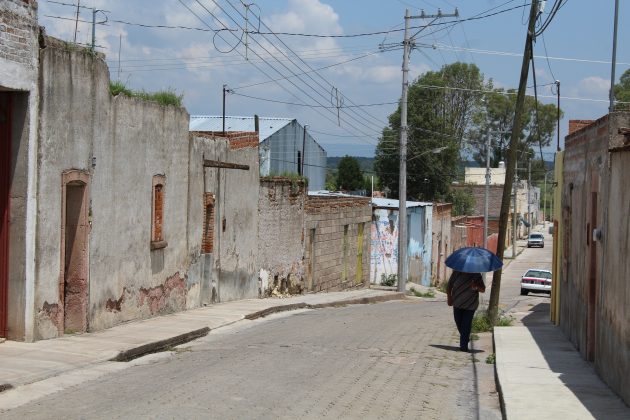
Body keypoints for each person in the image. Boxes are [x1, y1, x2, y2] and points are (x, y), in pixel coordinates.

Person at [446, 270, 486, 352]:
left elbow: (483, 289)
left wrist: (476, 286)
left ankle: (463, 345)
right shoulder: (456, 272)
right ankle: (465, 338)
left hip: (471, 304)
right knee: (459, 323)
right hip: (457, 303)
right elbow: (449, 286)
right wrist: (449, 298)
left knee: (466, 324)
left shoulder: (476, 274)